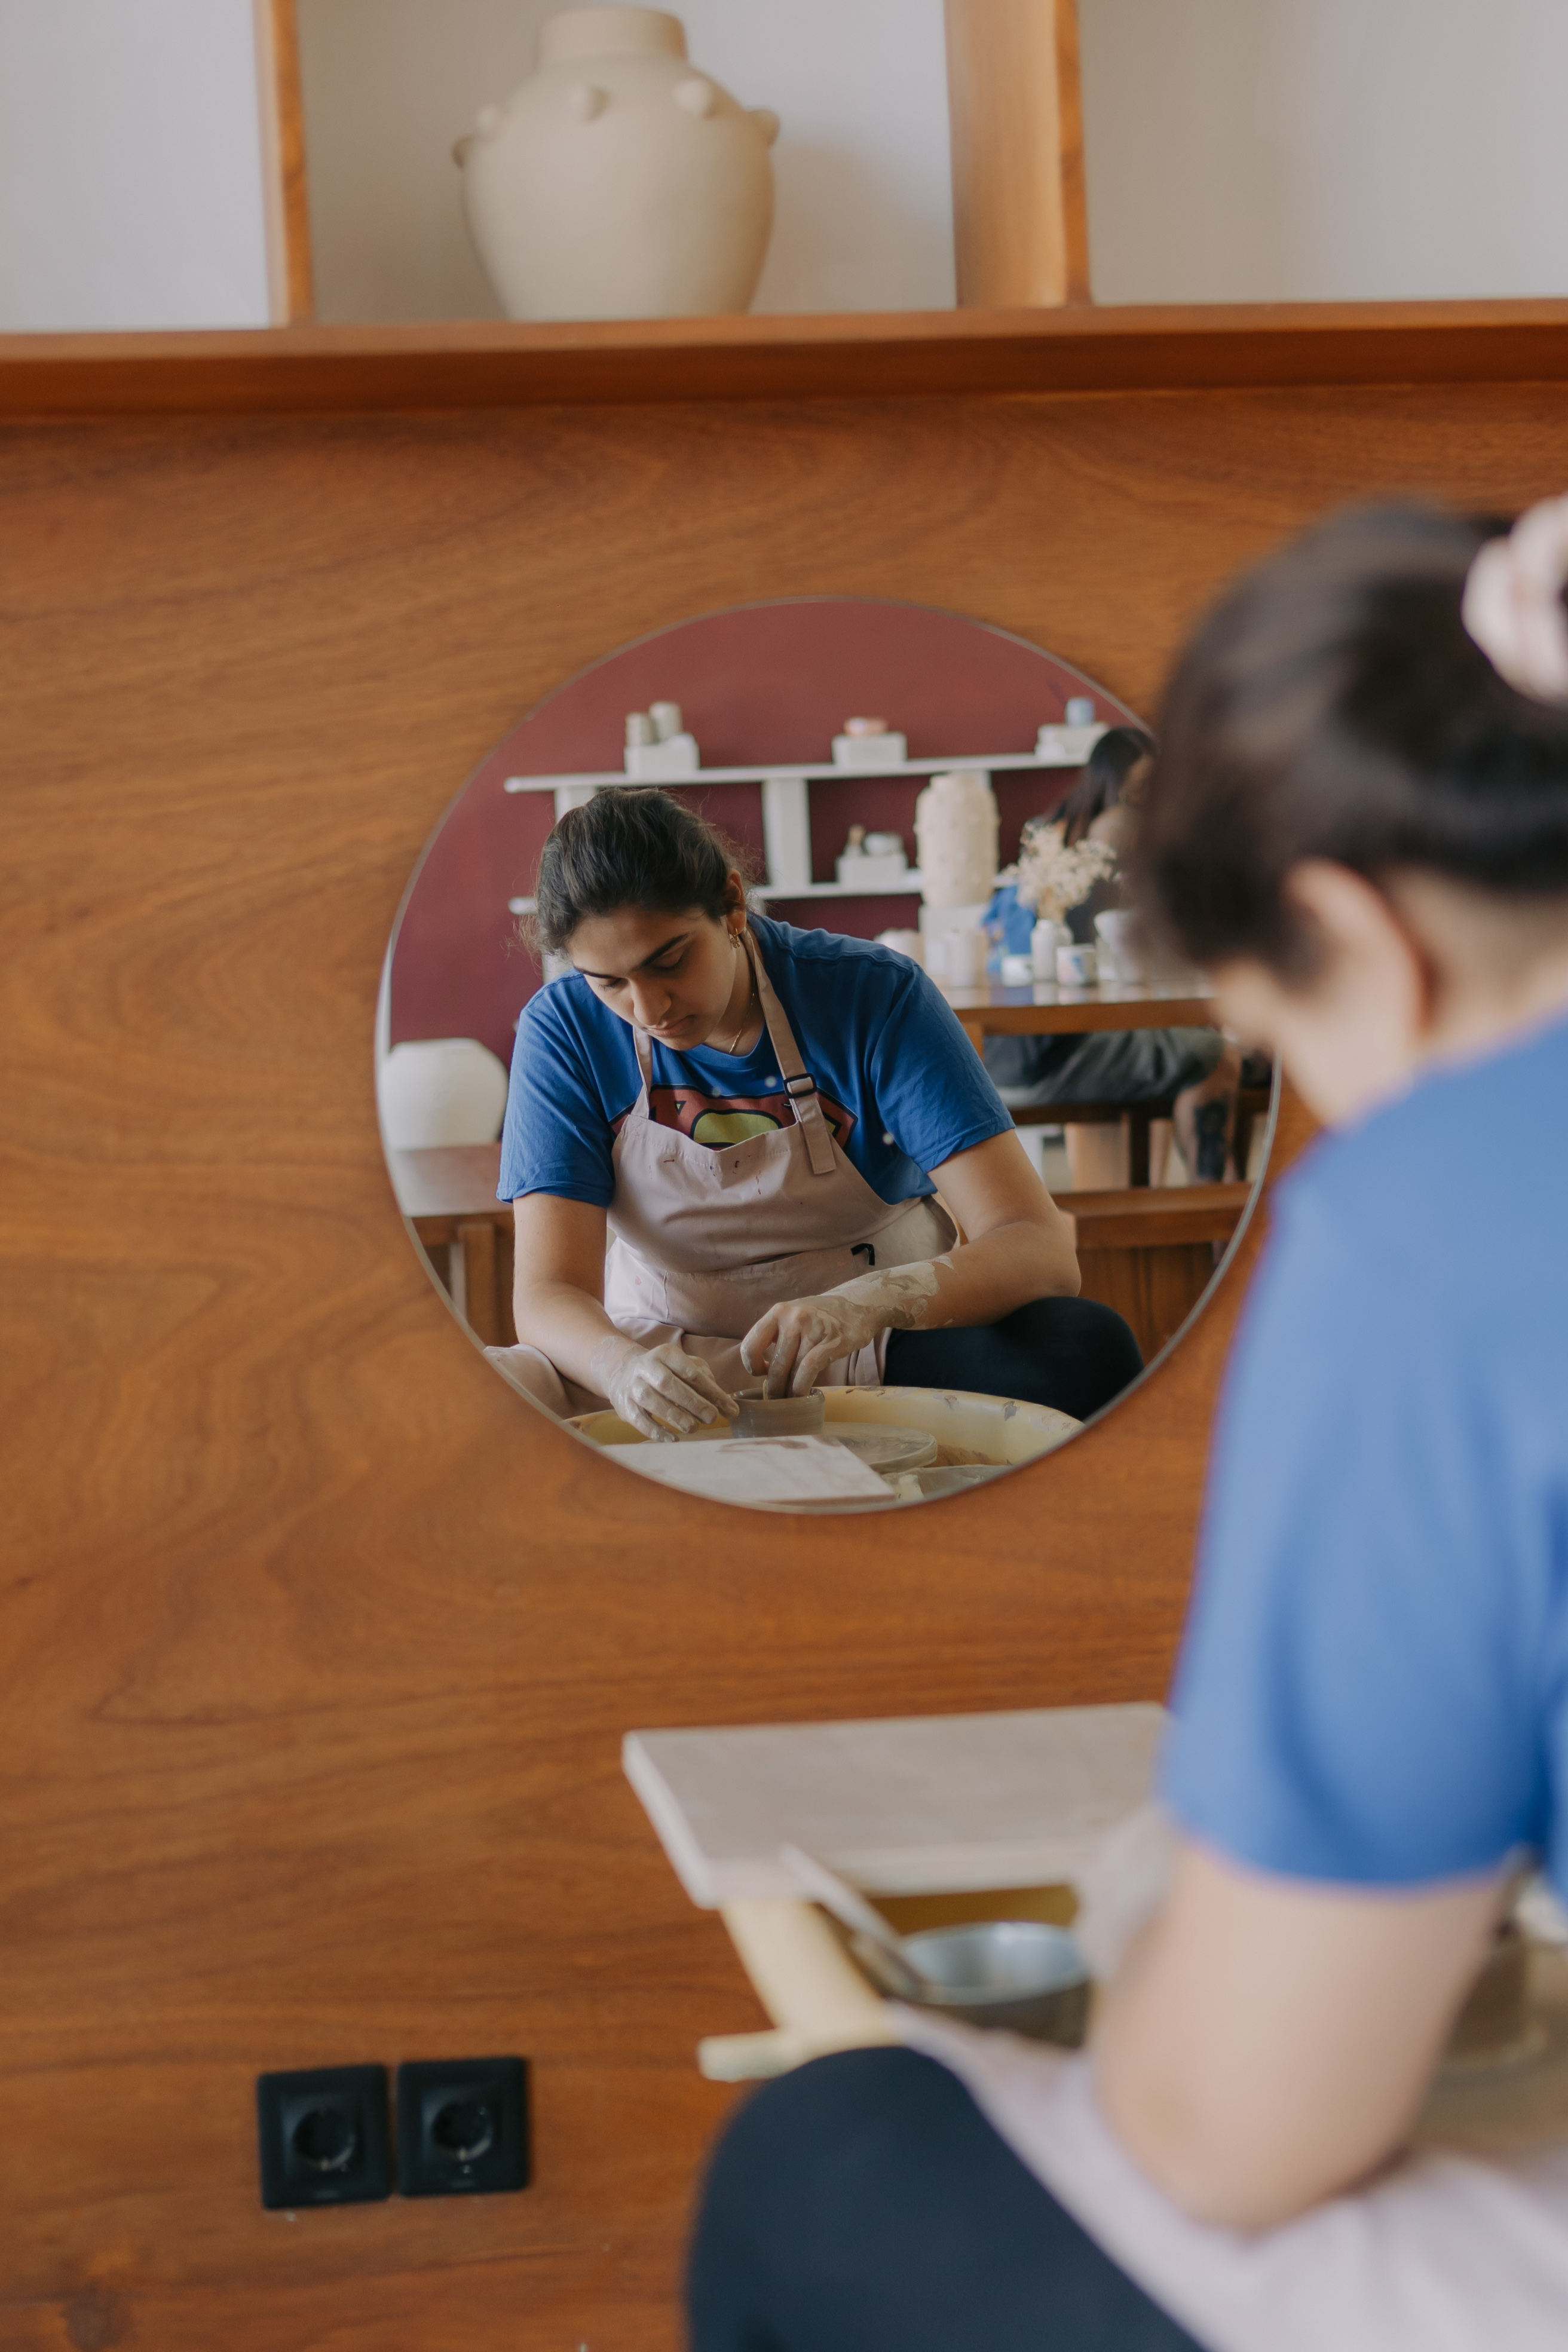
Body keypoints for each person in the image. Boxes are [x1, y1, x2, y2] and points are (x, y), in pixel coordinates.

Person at [687, 496, 1568, 2351]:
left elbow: (1239, 2133)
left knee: (831, 2153)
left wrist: (1164, 1935)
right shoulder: (583, 1051)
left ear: (1353, 937)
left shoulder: (1433, 1210)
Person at [494, 788, 1142, 1438]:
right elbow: (549, 1294)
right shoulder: (562, 1031)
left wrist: (863, 1307)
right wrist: (620, 1369)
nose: (649, 1008)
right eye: (608, 983)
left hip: (864, 1348)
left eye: (669, 961)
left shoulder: (869, 994)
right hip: (665, 1361)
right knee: (477, 1396)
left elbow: (1037, 1245)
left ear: (732, 905)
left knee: (1084, 1348)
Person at [986, 724, 1242, 1184]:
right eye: (1141, 790)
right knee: (1214, 1056)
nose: (1149, 802)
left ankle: (1196, 1212)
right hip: (1044, 1054)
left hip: (1008, 1055)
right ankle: (1222, 1216)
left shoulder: (1053, 839)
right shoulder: (1096, 848)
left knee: (1189, 1050)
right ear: (1112, 786)